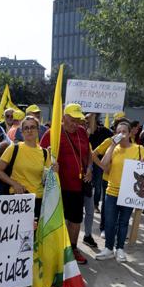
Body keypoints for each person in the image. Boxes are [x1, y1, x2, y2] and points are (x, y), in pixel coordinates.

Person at [40, 103, 92, 264]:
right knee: (59, 219)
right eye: (72, 119)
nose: (75, 122)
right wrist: (49, 164)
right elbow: (41, 156)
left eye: (78, 119)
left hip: (78, 184)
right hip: (58, 186)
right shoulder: (52, 133)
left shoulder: (82, 132)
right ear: (63, 118)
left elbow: (88, 153)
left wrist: (90, 168)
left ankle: (73, 248)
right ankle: (55, 250)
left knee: (76, 220)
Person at [94, 121, 144, 262]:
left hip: (129, 192)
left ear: (130, 134)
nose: (121, 134)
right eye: (118, 131)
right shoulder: (113, 149)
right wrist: (112, 145)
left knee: (123, 222)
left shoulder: (139, 148)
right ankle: (108, 248)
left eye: (124, 131)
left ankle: (120, 248)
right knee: (109, 222)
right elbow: (103, 165)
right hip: (112, 191)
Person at [0, 115, 50, 219]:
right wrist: (14, 184)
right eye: (26, 128)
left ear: (38, 130)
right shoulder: (14, 148)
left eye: (32, 127)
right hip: (18, 199)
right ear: (22, 131)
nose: (29, 130)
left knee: (34, 234)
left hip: (38, 200)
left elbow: (46, 179)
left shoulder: (45, 152)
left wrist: (54, 171)